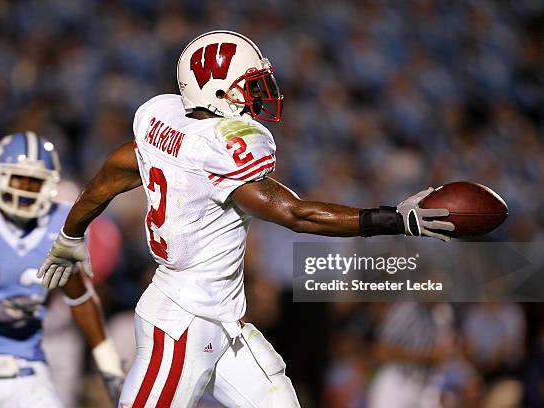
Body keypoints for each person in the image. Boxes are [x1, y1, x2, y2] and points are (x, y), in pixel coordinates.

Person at [37, 30, 454, 407]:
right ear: (216, 92)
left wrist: (72, 233)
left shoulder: (164, 123)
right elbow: (297, 214)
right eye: (248, 87)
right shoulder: (220, 149)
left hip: (225, 322)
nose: (258, 96)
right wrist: (397, 219)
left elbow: (109, 176)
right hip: (182, 320)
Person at [0, 132, 124, 407]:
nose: (24, 189)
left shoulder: (58, 225)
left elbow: (80, 298)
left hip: (28, 373)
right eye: (17, 178)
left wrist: (109, 366)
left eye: (34, 181)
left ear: (49, 186)